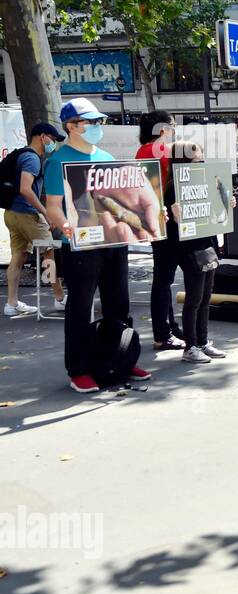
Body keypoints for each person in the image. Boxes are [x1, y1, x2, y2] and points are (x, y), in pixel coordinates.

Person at [43, 98, 153, 393]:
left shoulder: (104, 155)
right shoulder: (57, 160)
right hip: (80, 244)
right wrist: (63, 224)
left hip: (113, 241)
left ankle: (122, 359)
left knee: (119, 302)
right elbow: (52, 205)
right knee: (80, 306)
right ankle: (78, 369)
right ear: (71, 126)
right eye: (90, 122)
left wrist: (151, 217)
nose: (96, 127)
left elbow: (121, 199)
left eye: (98, 122)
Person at [165, 141, 225, 363]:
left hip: (205, 243)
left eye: (201, 159)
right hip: (188, 247)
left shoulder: (204, 181)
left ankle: (201, 340)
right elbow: (174, 222)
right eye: (196, 160)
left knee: (206, 295)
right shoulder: (173, 186)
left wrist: (227, 205)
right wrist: (176, 215)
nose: (201, 163)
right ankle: (191, 345)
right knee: (195, 297)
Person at [4, 121, 67, 316]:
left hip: (11, 213)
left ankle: (11, 304)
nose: (53, 143)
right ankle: (59, 299)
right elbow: (25, 189)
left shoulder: (21, 153)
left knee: (18, 257)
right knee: (48, 253)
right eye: (53, 139)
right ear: (42, 136)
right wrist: (45, 212)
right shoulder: (33, 159)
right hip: (27, 214)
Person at [136, 110, 186, 351]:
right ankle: (162, 333)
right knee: (163, 279)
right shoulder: (153, 152)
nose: (174, 129)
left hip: (163, 218)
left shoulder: (146, 151)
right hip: (165, 220)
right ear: (162, 128)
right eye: (172, 125)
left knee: (164, 278)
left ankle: (168, 327)